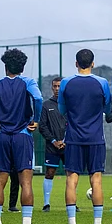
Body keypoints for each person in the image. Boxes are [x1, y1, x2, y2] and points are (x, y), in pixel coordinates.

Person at [0, 48, 43, 224]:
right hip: (23, 135)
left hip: (4, 136)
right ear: (22, 67)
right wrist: (35, 119)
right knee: (26, 182)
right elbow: (37, 98)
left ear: (5, 66)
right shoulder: (28, 82)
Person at [58, 49, 111, 224]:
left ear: (76, 63)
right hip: (96, 138)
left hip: (73, 138)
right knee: (96, 180)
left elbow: (61, 108)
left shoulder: (66, 82)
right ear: (93, 63)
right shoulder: (102, 83)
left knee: (71, 180)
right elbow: (107, 107)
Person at [39, 77, 66, 212]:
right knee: (49, 173)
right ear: (52, 88)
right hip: (52, 146)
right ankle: (46, 204)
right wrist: (53, 141)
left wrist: (65, 140)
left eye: (59, 86)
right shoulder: (46, 105)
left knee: (71, 174)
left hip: (68, 146)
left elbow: (74, 124)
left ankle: (72, 203)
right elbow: (42, 126)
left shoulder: (70, 104)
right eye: (54, 86)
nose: (57, 89)